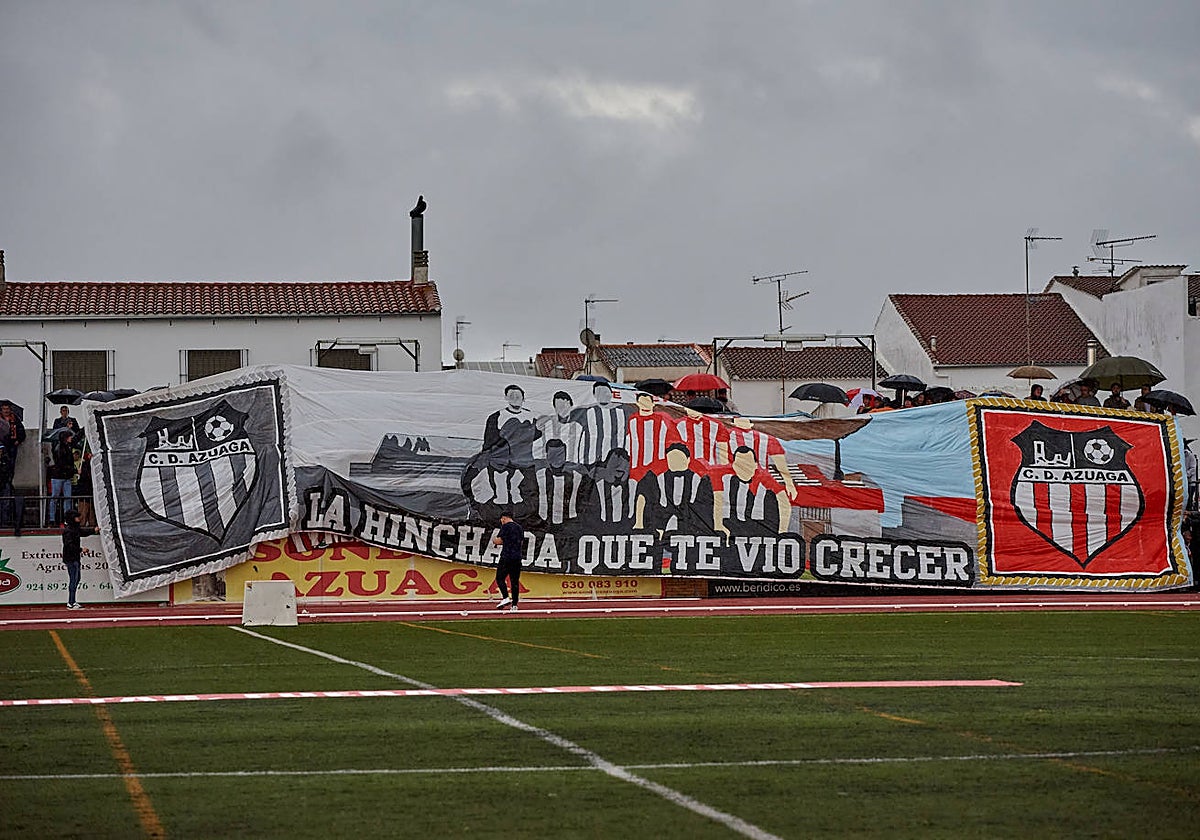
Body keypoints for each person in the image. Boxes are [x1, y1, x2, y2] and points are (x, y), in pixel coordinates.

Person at [61, 509, 96, 609]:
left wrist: (94, 530)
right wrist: (81, 549)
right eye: (76, 517)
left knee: (76, 579)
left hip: (74, 557)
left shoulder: (74, 529)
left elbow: (83, 532)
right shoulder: (68, 531)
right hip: (71, 558)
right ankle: (71, 602)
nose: (78, 519)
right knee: (74, 579)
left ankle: (72, 601)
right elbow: (69, 545)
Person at [491, 513, 524, 611]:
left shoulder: (506, 527)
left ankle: (505, 597)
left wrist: (494, 540)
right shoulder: (519, 527)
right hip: (517, 557)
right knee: (514, 581)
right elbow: (521, 542)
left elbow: (499, 541)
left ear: (504, 518)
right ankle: (514, 605)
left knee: (500, 578)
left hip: (506, 556)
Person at [47, 429, 77, 524]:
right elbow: (61, 464)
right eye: (69, 437)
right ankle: (52, 518)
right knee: (55, 497)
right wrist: (75, 470)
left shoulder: (67, 447)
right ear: (65, 438)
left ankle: (66, 518)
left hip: (65, 476)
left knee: (67, 498)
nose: (71, 438)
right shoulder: (59, 449)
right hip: (58, 476)